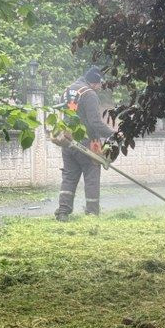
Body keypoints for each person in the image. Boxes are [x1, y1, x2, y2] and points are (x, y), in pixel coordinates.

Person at [54, 67, 115, 220]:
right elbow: (95, 122)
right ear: (94, 82)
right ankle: (92, 213)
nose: (101, 87)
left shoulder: (67, 91)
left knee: (69, 176)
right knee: (92, 177)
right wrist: (112, 134)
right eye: (100, 84)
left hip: (67, 141)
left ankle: (63, 212)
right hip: (87, 143)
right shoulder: (90, 94)